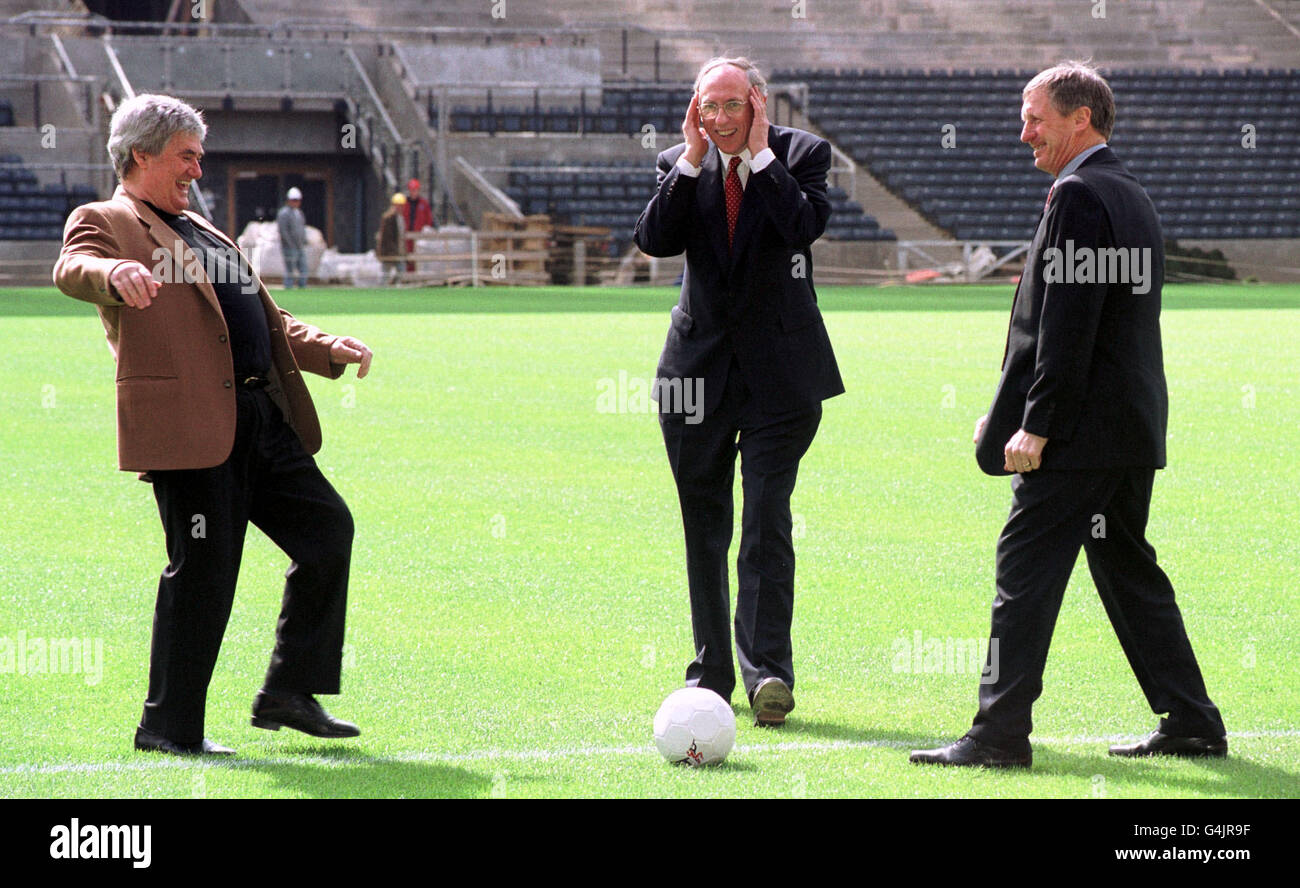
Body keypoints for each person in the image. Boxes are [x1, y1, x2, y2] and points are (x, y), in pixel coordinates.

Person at [911, 62, 1226, 769]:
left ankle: (997, 734)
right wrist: (1006, 417)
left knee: (1023, 570)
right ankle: (1194, 721)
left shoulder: (1081, 194)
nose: (1024, 133)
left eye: (1035, 118)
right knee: (1128, 570)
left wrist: (1035, 425)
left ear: (1079, 118)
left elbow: (1068, 325)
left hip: (1079, 435)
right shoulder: (1128, 191)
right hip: (1127, 428)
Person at [53, 93, 374, 756]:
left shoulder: (208, 231)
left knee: (326, 532)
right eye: (186, 156)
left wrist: (326, 346)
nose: (198, 169)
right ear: (141, 154)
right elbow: (72, 267)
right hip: (190, 425)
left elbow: (269, 319)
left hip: (260, 417)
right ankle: (167, 730)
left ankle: (290, 693)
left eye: (199, 156)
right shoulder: (107, 218)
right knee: (203, 572)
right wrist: (113, 271)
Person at [634, 57, 843, 727]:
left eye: (731, 105)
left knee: (765, 523)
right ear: (694, 110)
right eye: (708, 107)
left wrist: (759, 159)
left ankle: (769, 674)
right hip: (694, 376)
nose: (719, 118)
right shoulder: (679, 160)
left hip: (782, 376)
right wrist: (691, 161)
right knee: (704, 528)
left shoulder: (802, 153)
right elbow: (654, 239)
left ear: (757, 101)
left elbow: (802, 226)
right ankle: (710, 674)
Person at [276, 186, 308, 289]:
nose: (296, 202)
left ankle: (302, 287)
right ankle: (288, 287)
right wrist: (290, 244)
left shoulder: (299, 213)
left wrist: (304, 241)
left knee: (303, 268)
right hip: (289, 247)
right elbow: (283, 231)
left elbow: (302, 228)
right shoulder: (284, 213)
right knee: (290, 269)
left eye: (298, 200)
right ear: (289, 200)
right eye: (294, 200)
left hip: (300, 246)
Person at [403, 177, 434, 273]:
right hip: (406, 236)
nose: (414, 192)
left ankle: (418, 276)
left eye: (416, 190)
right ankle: (407, 277)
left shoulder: (423, 204)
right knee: (407, 257)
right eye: (412, 190)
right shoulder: (404, 203)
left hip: (419, 236)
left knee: (418, 258)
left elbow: (429, 220)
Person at [376, 192, 407, 285]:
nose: (400, 208)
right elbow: (387, 238)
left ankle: (397, 292)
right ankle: (381, 294)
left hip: (398, 253)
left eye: (401, 206)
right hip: (389, 252)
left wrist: (403, 251)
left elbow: (402, 237)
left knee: (401, 273)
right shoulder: (388, 218)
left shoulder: (400, 218)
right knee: (385, 275)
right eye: (398, 205)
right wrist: (394, 251)